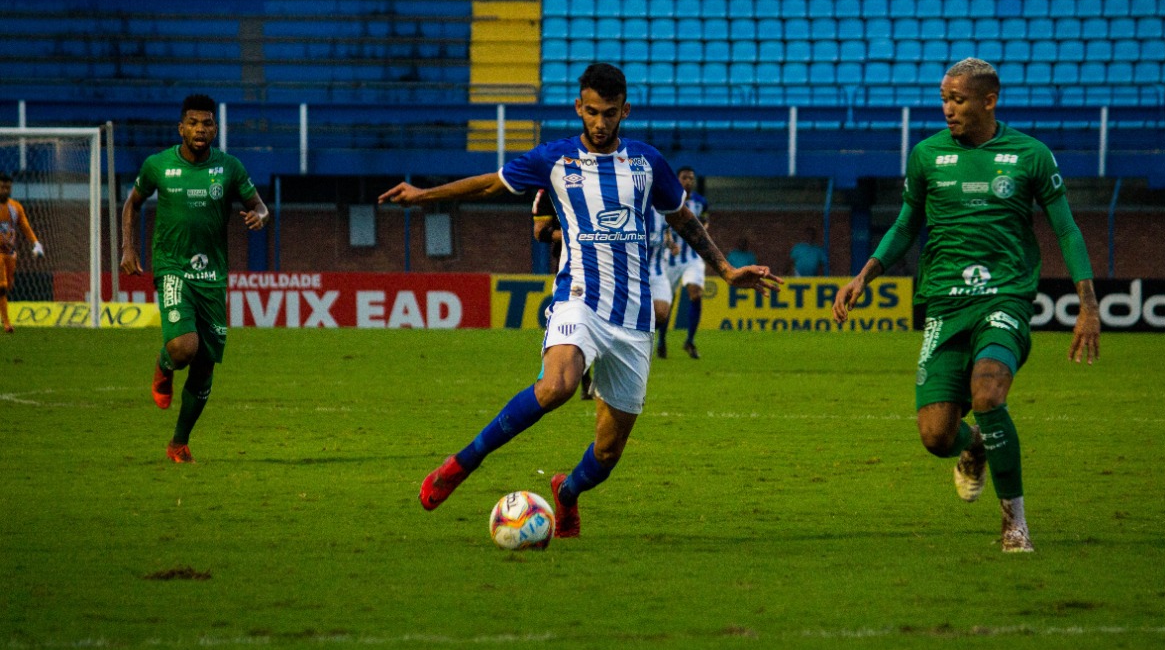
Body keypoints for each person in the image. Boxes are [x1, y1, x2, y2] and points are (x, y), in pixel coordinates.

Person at [380, 63, 781, 538]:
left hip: (633, 320)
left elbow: (684, 221)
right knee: (557, 386)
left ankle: (566, 492)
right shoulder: (553, 160)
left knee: (608, 454)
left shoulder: (648, 163)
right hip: (579, 299)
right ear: (578, 107)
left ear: (624, 110)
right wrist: (424, 195)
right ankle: (460, 465)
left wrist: (727, 269)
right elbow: (490, 183)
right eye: (591, 111)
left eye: (610, 113)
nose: (600, 122)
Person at [833, 58, 1100, 553]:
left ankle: (1014, 522)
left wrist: (1088, 304)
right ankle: (974, 445)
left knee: (989, 395)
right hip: (944, 304)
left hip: (1005, 297)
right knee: (937, 436)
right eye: (943, 99)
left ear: (989, 101)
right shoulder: (927, 156)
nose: (948, 110)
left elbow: (1066, 228)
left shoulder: (1030, 155)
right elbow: (907, 225)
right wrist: (865, 274)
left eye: (957, 100)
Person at [120, 94, 269, 463]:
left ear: (215, 129)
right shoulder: (158, 165)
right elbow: (132, 202)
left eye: (207, 124)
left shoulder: (230, 168)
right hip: (173, 268)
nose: (200, 130)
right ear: (181, 128)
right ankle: (164, 363)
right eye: (194, 123)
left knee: (204, 369)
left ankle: (179, 443)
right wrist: (128, 248)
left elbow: (259, 205)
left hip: (213, 278)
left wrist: (261, 216)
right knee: (185, 348)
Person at [532, 187, 593, 401]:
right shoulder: (547, 192)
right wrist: (573, 235)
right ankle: (549, 373)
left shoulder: (598, 182)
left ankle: (593, 382)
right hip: (570, 267)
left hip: (608, 265)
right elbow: (540, 232)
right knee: (571, 319)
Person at [655, 165, 709, 359]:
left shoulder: (701, 202)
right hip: (671, 259)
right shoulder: (668, 200)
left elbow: (704, 224)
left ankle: (690, 341)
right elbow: (663, 225)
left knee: (696, 293)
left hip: (692, 258)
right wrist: (670, 243)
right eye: (685, 178)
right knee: (667, 302)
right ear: (677, 180)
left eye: (691, 178)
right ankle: (661, 341)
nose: (688, 181)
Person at [0, 171, 45, 333]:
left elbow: (25, 227)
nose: (5, 190)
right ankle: (6, 324)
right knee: (2, 286)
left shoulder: (15, 207)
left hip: (10, 253)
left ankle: (3, 314)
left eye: (8, 187)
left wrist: (36, 243)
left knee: (8, 285)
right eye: (2, 186)